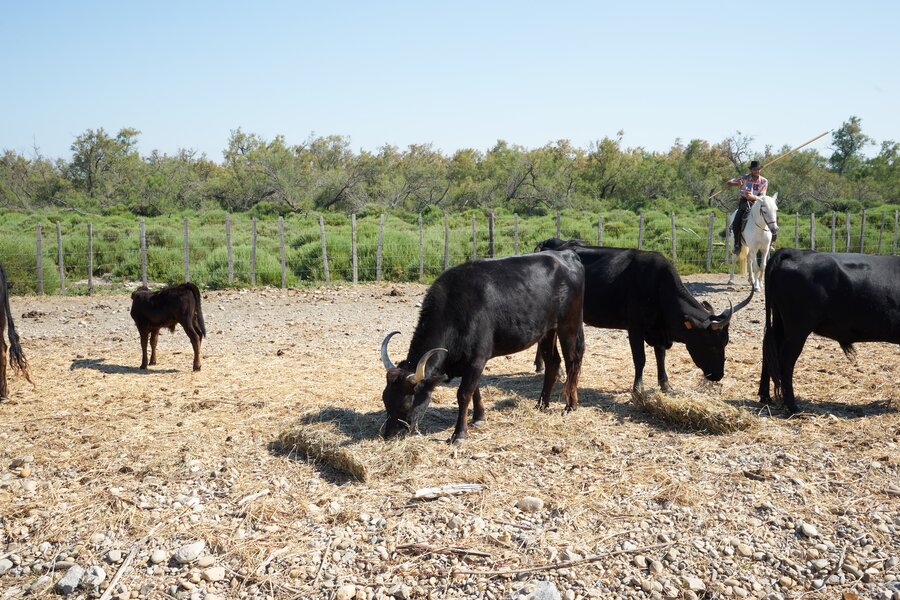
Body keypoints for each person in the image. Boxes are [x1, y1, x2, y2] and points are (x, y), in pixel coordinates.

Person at [727, 160, 768, 254]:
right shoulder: (743, 177)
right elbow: (728, 183)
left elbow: (762, 197)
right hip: (744, 201)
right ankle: (737, 245)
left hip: (758, 202)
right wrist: (737, 184)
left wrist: (753, 197)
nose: (756, 171)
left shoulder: (764, 181)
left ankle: (771, 242)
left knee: (772, 216)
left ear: (760, 169)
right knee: (736, 221)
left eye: (758, 169)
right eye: (754, 169)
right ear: (751, 170)